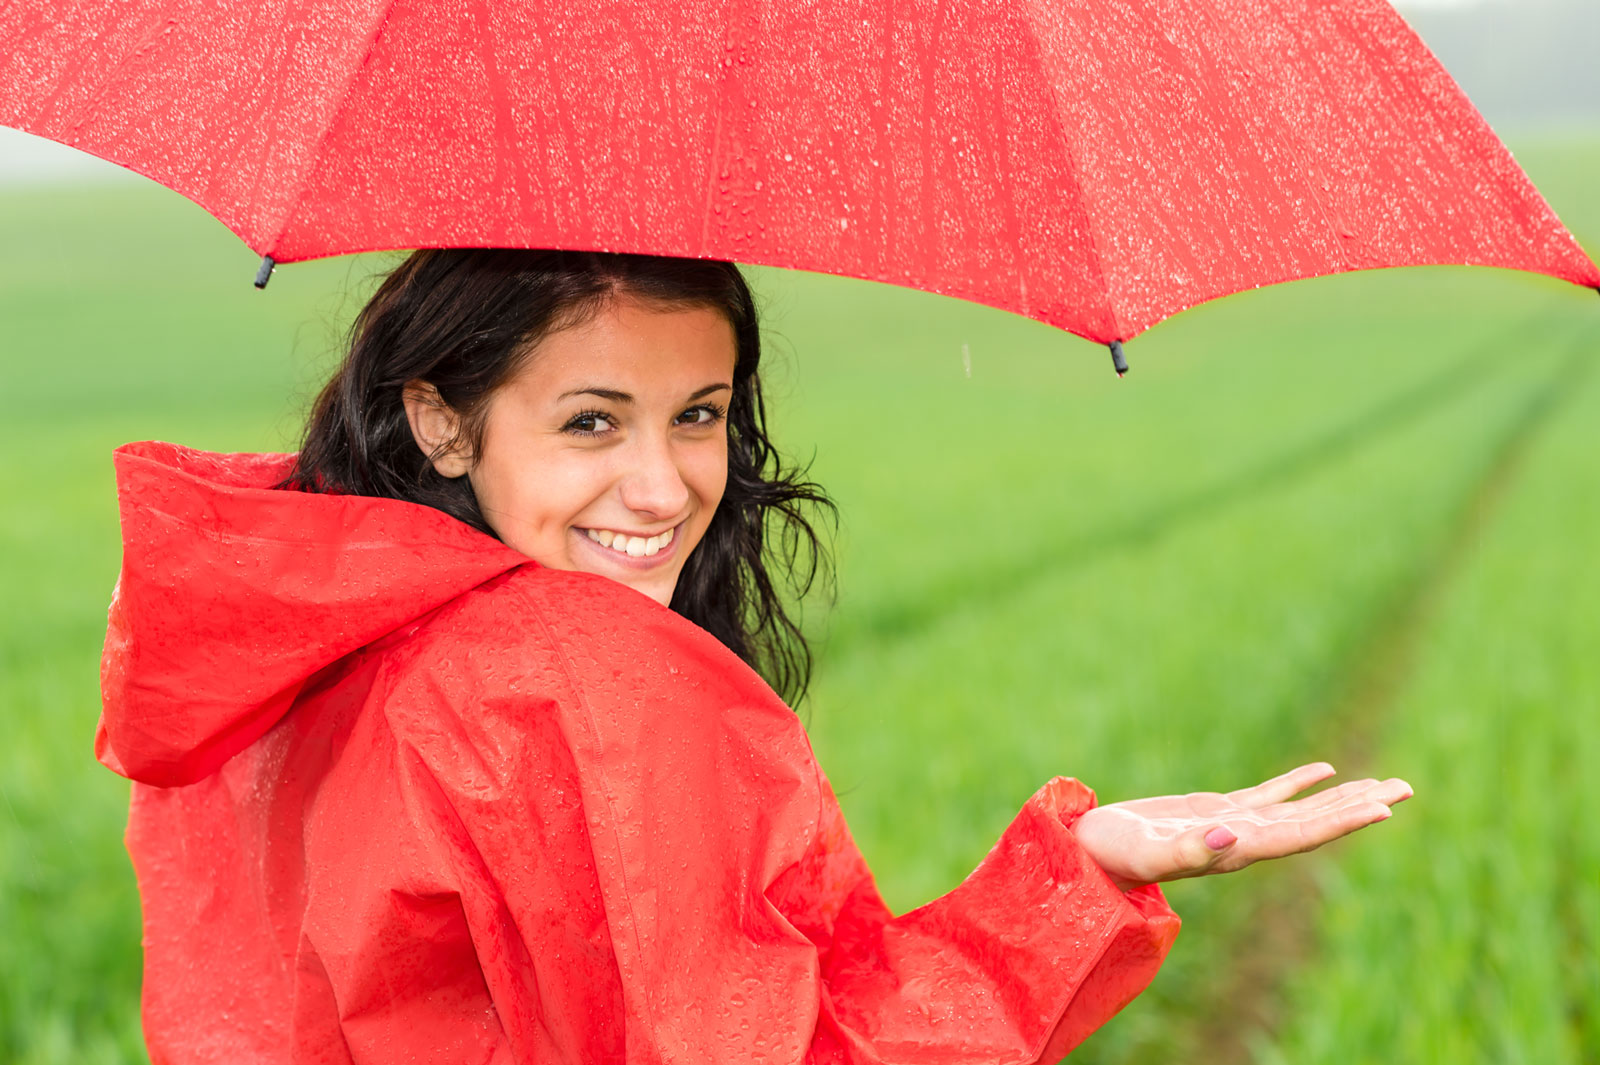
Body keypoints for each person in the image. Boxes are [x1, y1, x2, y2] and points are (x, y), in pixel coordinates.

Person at [96, 248, 1411, 1064]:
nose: (663, 486)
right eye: (592, 421)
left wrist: (1088, 865)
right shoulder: (575, 684)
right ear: (443, 420)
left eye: (701, 416)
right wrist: (1061, 895)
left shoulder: (327, 640)